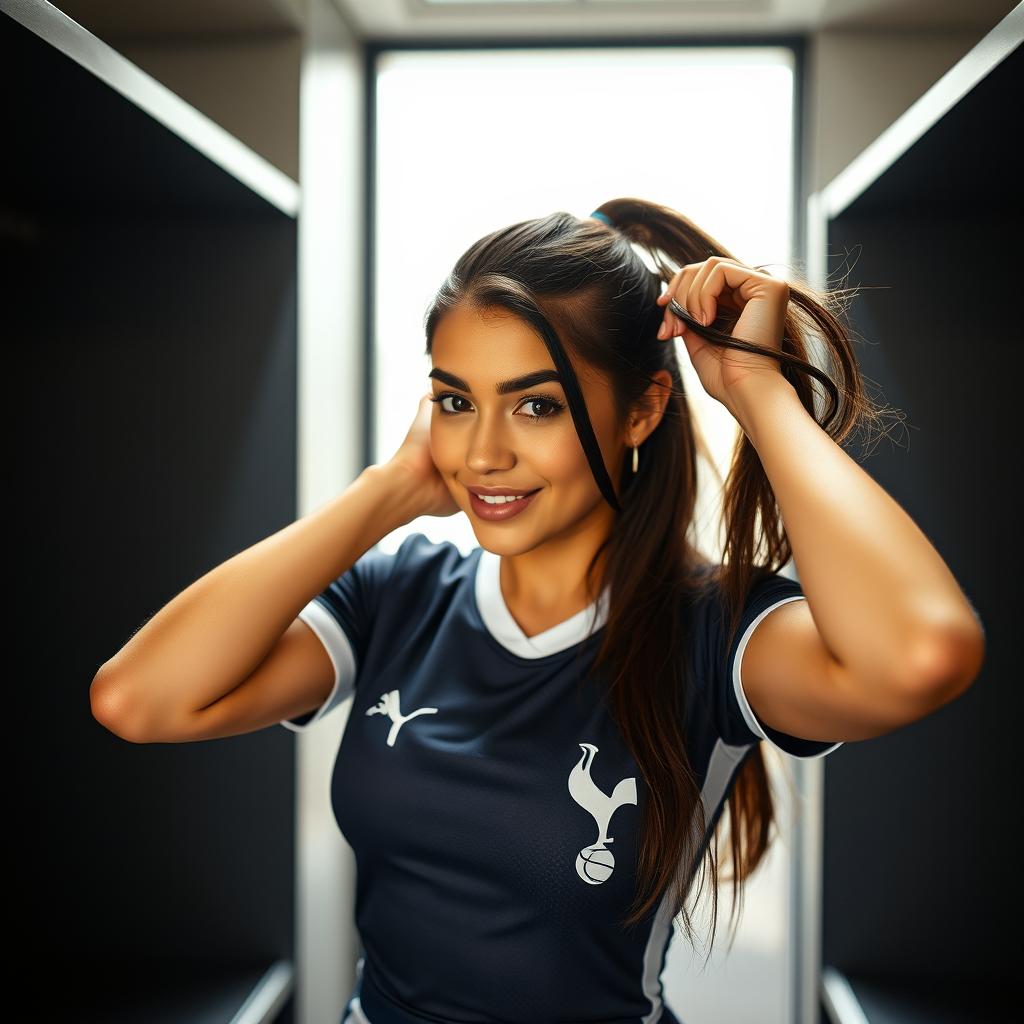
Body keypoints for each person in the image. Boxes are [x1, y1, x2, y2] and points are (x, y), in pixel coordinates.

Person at [91, 199, 986, 1024]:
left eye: (535, 405)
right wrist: (392, 487)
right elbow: (139, 701)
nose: (483, 453)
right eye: (455, 400)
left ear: (643, 409)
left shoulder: (717, 631)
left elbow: (921, 654)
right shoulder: (397, 594)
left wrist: (758, 394)